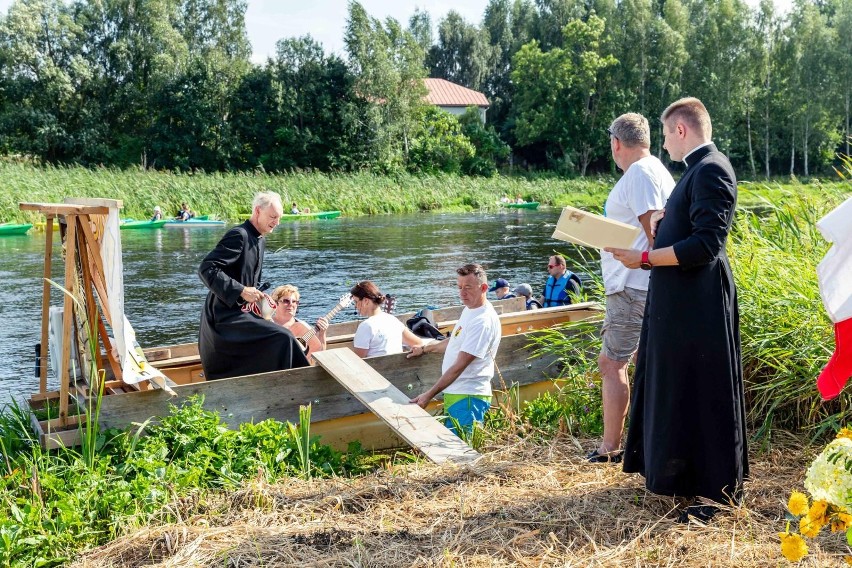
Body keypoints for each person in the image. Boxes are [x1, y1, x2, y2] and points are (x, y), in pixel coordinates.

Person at [605, 97, 747, 517]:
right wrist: (666, 222)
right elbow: (691, 230)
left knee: (705, 392)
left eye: (666, 134)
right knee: (685, 389)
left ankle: (716, 495)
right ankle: (689, 480)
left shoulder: (712, 169)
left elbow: (707, 245)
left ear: (681, 130)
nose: (663, 143)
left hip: (700, 304)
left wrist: (644, 258)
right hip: (685, 303)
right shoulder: (697, 172)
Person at [588, 113, 674, 464]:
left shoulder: (639, 173)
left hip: (632, 285)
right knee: (640, 362)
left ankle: (611, 447)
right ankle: (644, 439)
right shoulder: (655, 169)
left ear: (615, 143)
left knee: (611, 363)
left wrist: (643, 258)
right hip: (642, 282)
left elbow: (655, 230)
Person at [198, 191, 310, 380]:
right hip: (223, 318)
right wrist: (241, 290)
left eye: (279, 218)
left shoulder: (260, 239)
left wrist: (258, 297)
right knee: (284, 337)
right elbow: (207, 269)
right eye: (273, 217)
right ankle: (301, 385)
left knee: (282, 337)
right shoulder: (239, 235)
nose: (277, 222)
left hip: (242, 313)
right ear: (258, 211)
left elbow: (248, 280)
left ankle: (290, 383)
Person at [408, 263, 502, 438]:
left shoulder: (482, 321)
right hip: (457, 393)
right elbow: (455, 341)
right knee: (453, 449)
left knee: (463, 453)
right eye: (459, 287)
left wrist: (429, 394)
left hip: (468, 397)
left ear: (484, 288)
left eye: (468, 287)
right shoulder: (470, 310)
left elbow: (460, 365)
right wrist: (425, 349)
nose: (462, 293)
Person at [351, 281, 423, 357]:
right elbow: (418, 343)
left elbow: (357, 361)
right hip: (396, 366)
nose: (355, 306)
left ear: (366, 301)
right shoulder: (393, 320)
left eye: (356, 302)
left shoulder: (366, 326)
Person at [270, 284, 329, 357]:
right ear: (275, 303)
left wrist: (322, 334)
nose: (291, 304)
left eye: (294, 301)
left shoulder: (303, 326)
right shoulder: (268, 325)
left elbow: (320, 354)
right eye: (286, 301)